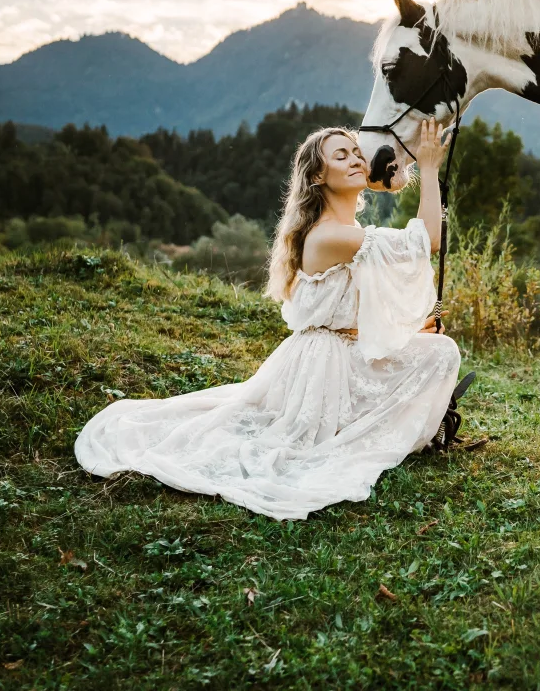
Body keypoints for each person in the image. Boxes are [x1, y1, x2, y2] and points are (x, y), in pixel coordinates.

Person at [74, 120, 462, 520]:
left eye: (356, 153)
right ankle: (397, 432)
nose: (354, 160)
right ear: (317, 176)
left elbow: (354, 308)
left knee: (436, 350)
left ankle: (401, 426)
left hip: (341, 351)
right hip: (324, 367)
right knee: (441, 354)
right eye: (340, 155)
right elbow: (426, 241)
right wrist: (429, 168)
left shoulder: (347, 229)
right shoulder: (330, 235)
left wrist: (412, 329)